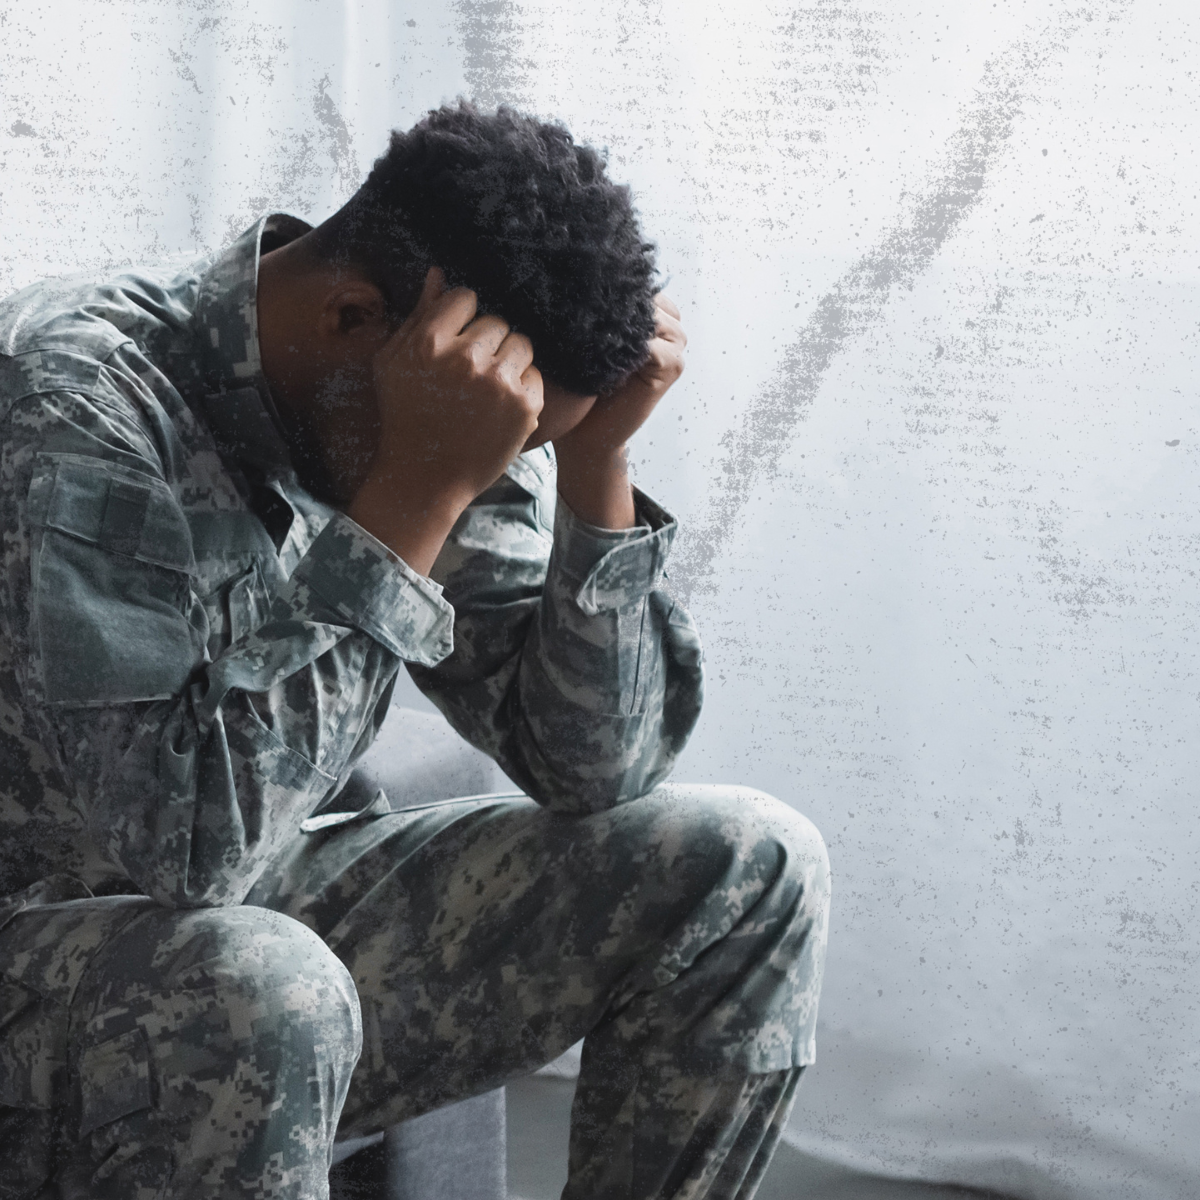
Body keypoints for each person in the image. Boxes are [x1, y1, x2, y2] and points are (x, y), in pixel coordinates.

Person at [0, 102, 830, 1199]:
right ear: (354, 314)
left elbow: (595, 767)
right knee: (264, 984)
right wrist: (413, 495)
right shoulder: (73, 404)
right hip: (43, 943)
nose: (495, 467)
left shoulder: (409, 385)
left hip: (220, 922)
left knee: (750, 861)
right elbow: (190, 850)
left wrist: (595, 471)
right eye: (506, 444)